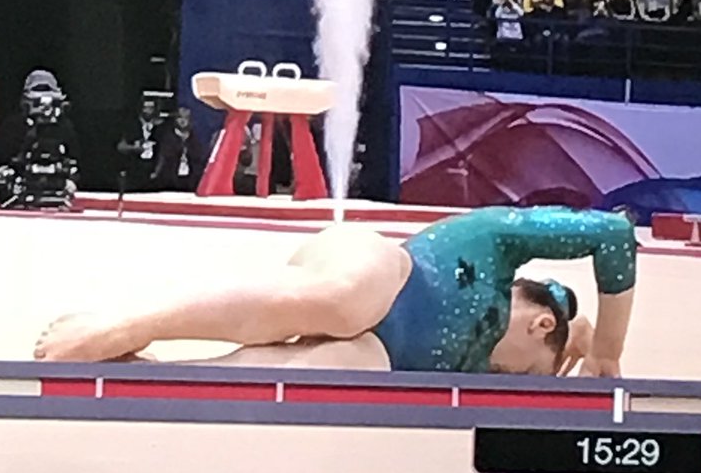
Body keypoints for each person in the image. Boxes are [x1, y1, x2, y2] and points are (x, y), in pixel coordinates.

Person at [33, 206, 635, 374]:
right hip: (381, 272)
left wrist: (581, 332)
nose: (522, 382)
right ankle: (127, 323)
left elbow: (564, 326)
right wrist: (607, 345)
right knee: (347, 301)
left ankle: (150, 371)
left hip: (384, 354)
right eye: (534, 373)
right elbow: (612, 234)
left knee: (314, 378)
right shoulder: (498, 246)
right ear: (540, 326)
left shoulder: (498, 356)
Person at [152, 104, 205, 192]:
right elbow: (163, 157)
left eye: (186, 118)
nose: (182, 121)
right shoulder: (167, 138)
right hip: (169, 181)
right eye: (180, 117)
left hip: (190, 181)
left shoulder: (195, 138)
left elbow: (199, 158)